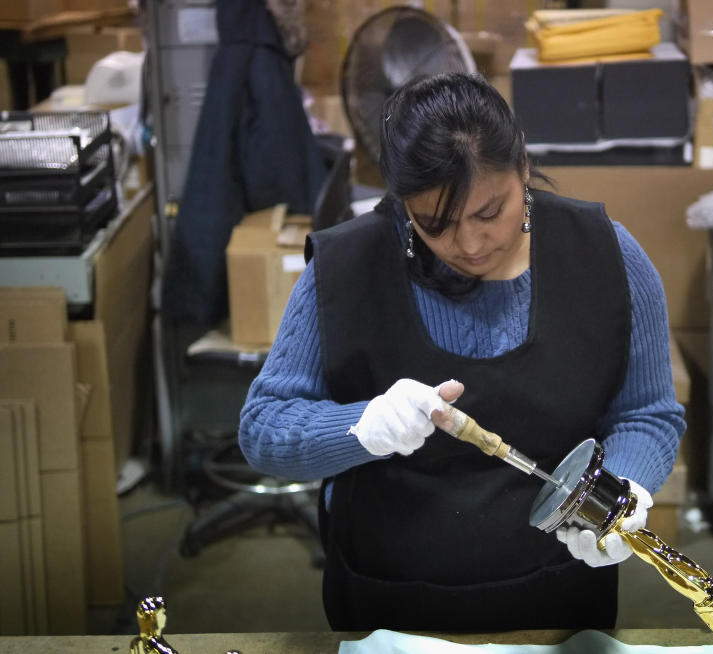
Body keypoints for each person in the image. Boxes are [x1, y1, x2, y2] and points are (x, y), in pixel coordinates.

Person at [239, 72, 685, 631]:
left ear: (522, 165)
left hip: (559, 595)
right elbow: (263, 430)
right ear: (403, 205)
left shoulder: (608, 258)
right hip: (390, 604)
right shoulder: (347, 269)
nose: (470, 246)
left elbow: (647, 414)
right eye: (435, 223)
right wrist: (361, 427)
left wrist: (620, 493)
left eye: (488, 212)